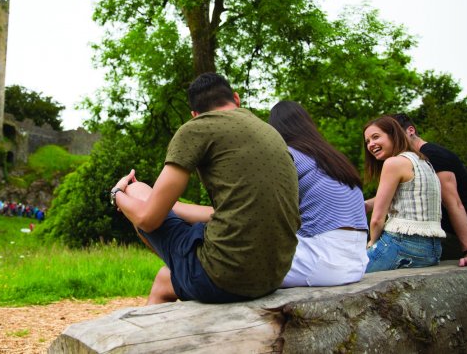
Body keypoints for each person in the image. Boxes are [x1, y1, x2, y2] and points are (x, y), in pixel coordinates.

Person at [111, 73, 300, 305]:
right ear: (236, 99)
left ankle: (185, 270)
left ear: (194, 115)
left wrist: (118, 194)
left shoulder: (196, 129)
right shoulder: (270, 132)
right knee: (165, 278)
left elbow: (147, 220)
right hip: (274, 274)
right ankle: (182, 272)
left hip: (223, 278)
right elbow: (234, 210)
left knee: (137, 190)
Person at [267, 101, 369, 287]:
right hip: (357, 263)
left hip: (322, 262)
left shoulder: (287, 155)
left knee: (236, 266)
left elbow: (261, 210)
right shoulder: (332, 158)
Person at [391, 113, 467, 280]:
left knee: (390, 247)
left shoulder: (433, 155)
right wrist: (365, 204)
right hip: (449, 234)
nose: (392, 140)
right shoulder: (415, 159)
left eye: (394, 134)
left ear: (410, 131)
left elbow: (454, 203)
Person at [363, 115, 445, 272]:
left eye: (376, 137)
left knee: (349, 271)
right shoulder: (423, 161)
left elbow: (377, 220)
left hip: (403, 245)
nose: (371, 144)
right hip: (433, 250)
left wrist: (371, 243)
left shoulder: (393, 163)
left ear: (393, 134)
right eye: (367, 141)